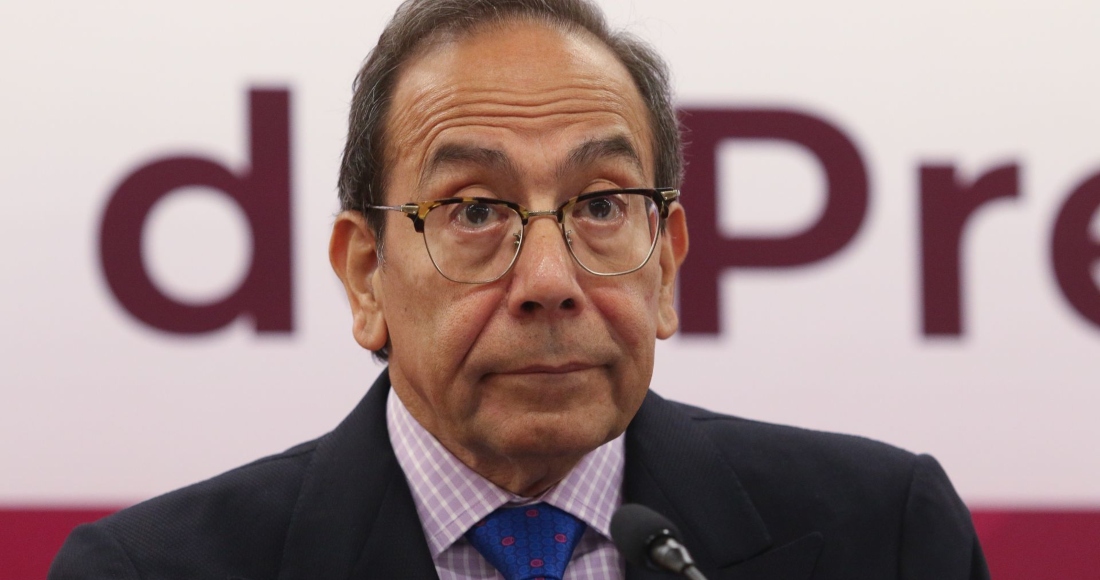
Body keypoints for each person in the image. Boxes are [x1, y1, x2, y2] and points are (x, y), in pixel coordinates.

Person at [50, 0, 989, 578]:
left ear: (666, 263)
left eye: (602, 205)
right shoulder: (149, 571)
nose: (549, 281)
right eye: (473, 210)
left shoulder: (885, 537)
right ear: (367, 275)